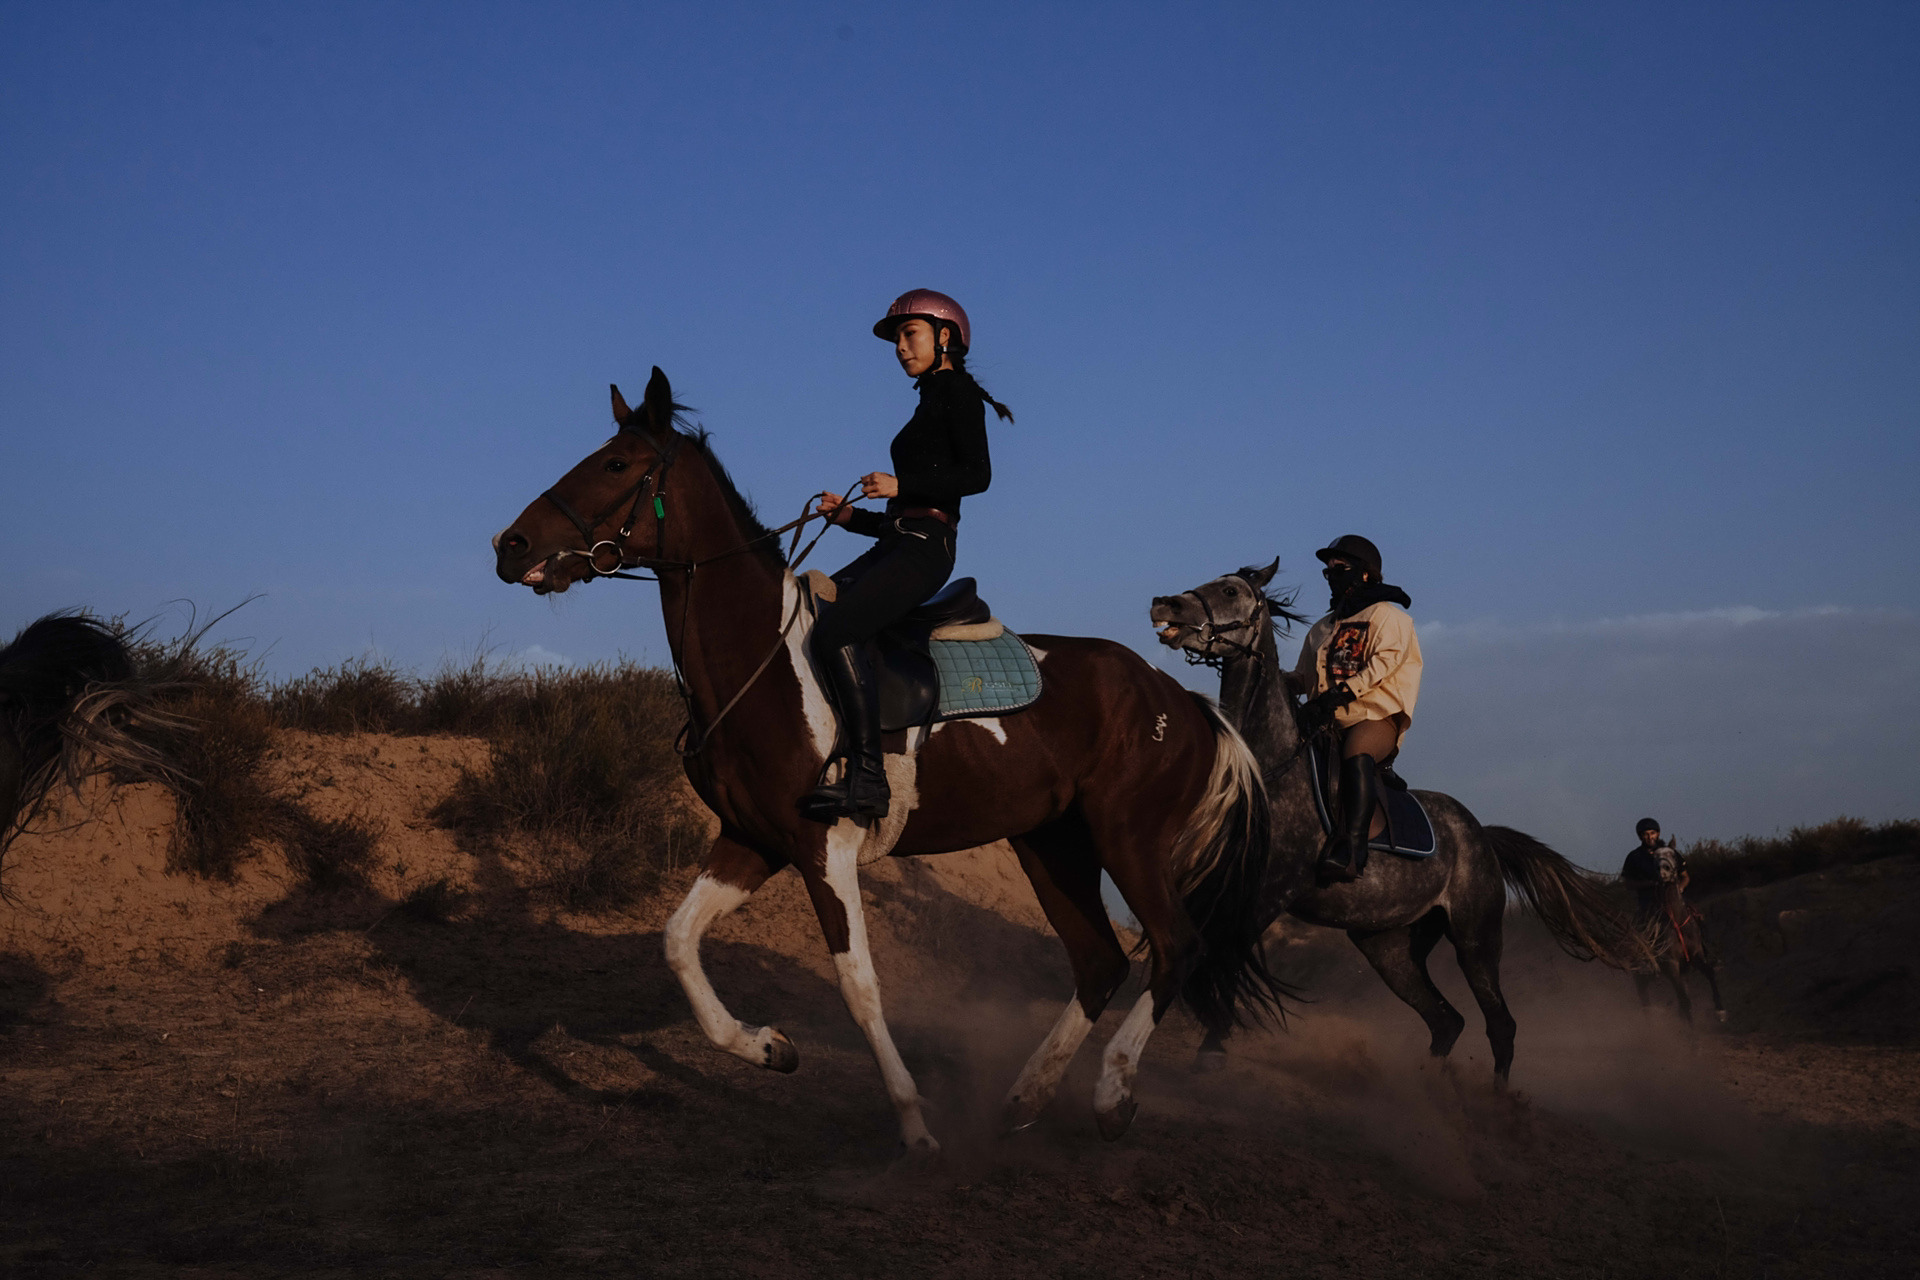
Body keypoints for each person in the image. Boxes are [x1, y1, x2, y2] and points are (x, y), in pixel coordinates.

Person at [801, 289, 1013, 822]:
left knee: (835, 632)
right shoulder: (927, 400)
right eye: (897, 338)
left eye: (908, 333)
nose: (899, 346)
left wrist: (900, 482)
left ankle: (869, 779)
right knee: (813, 609)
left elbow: (977, 476)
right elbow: (905, 514)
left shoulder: (957, 394)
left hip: (928, 550)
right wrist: (851, 519)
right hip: (902, 540)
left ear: (944, 338)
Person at [1282, 535, 1422, 883]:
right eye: (1327, 570)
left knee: (1356, 752)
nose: (1331, 575)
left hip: (1373, 717)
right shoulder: (1322, 628)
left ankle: (1352, 850)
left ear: (1364, 574)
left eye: (1339, 568)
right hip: (1324, 719)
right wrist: (1272, 679)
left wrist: (1339, 696)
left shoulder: (1389, 617)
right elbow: (1303, 677)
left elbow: (1383, 665)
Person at [1619, 817, 1685, 914]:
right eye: (1646, 834)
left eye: (1652, 833)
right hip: (1649, 903)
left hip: (1673, 898)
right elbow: (1628, 883)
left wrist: (1680, 888)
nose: (1650, 837)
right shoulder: (1634, 856)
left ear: (1658, 834)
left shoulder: (1668, 853)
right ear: (1641, 836)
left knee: (1695, 916)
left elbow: (1685, 876)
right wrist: (1650, 884)